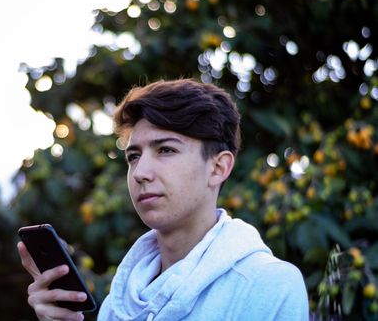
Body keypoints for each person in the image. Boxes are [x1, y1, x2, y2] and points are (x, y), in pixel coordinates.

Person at [17, 78, 309, 321]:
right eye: (134, 156)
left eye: (166, 150)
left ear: (218, 167)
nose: (141, 172)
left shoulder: (269, 285)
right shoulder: (121, 298)